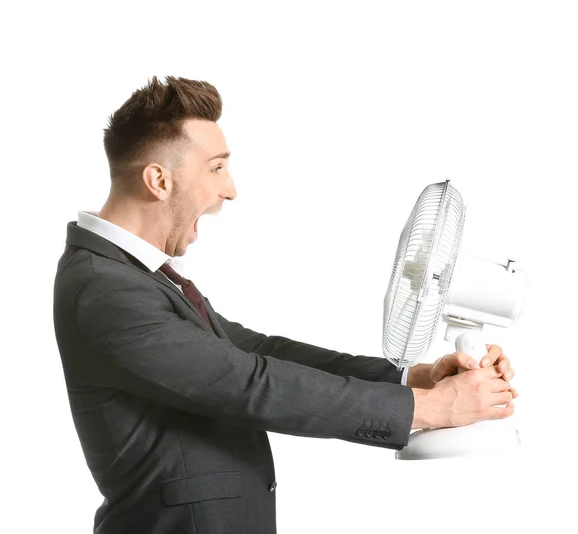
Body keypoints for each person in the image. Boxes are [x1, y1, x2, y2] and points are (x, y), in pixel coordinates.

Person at [52, 76, 518, 534]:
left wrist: (410, 378)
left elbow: (257, 351)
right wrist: (427, 409)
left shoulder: (133, 276)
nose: (230, 189)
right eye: (215, 168)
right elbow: (249, 384)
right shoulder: (105, 288)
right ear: (158, 180)